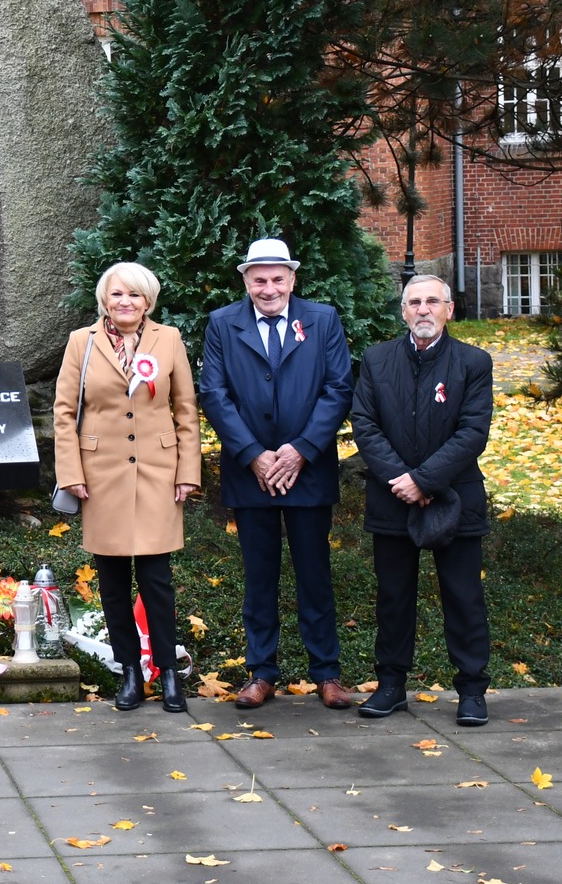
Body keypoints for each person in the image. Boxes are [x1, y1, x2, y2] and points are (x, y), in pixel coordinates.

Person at [197, 238, 356, 711]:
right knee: (259, 577)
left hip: (308, 471)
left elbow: (338, 388)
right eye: (259, 280)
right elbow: (214, 393)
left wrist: (301, 450)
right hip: (252, 474)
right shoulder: (223, 324)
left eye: (277, 279)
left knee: (315, 575)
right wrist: (254, 455)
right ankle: (261, 672)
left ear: (292, 279)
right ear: (246, 281)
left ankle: (327, 673)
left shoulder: (322, 320)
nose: (269, 288)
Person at [52, 262, 202, 713]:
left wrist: (188, 472)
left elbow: (186, 411)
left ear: (148, 301)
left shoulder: (168, 339)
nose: (125, 302)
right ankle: (130, 673)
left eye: (135, 295)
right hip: (100, 477)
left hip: (158, 471)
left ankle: (169, 673)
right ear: (105, 299)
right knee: (113, 581)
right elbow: (63, 413)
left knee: (157, 579)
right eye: (117, 294)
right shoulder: (84, 341)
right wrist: (70, 472)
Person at [350, 274, 496, 726]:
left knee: (463, 596)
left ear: (450, 310)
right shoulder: (376, 360)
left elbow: (473, 432)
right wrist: (400, 478)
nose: (423, 310)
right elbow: (364, 424)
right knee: (393, 597)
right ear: (403, 312)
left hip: (455, 499)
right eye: (414, 303)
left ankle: (472, 690)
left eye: (433, 301)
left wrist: (425, 481)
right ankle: (391, 685)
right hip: (392, 497)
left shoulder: (473, 362)